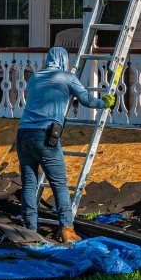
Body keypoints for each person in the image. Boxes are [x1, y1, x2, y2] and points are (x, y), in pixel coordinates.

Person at [16, 46, 115, 243]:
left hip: (22, 133)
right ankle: (67, 231)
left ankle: (30, 231)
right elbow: (86, 100)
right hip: (44, 136)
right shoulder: (67, 78)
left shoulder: (35, 77)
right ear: (63, 60)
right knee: (59, 184)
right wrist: (104, 102)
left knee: (29, 183)